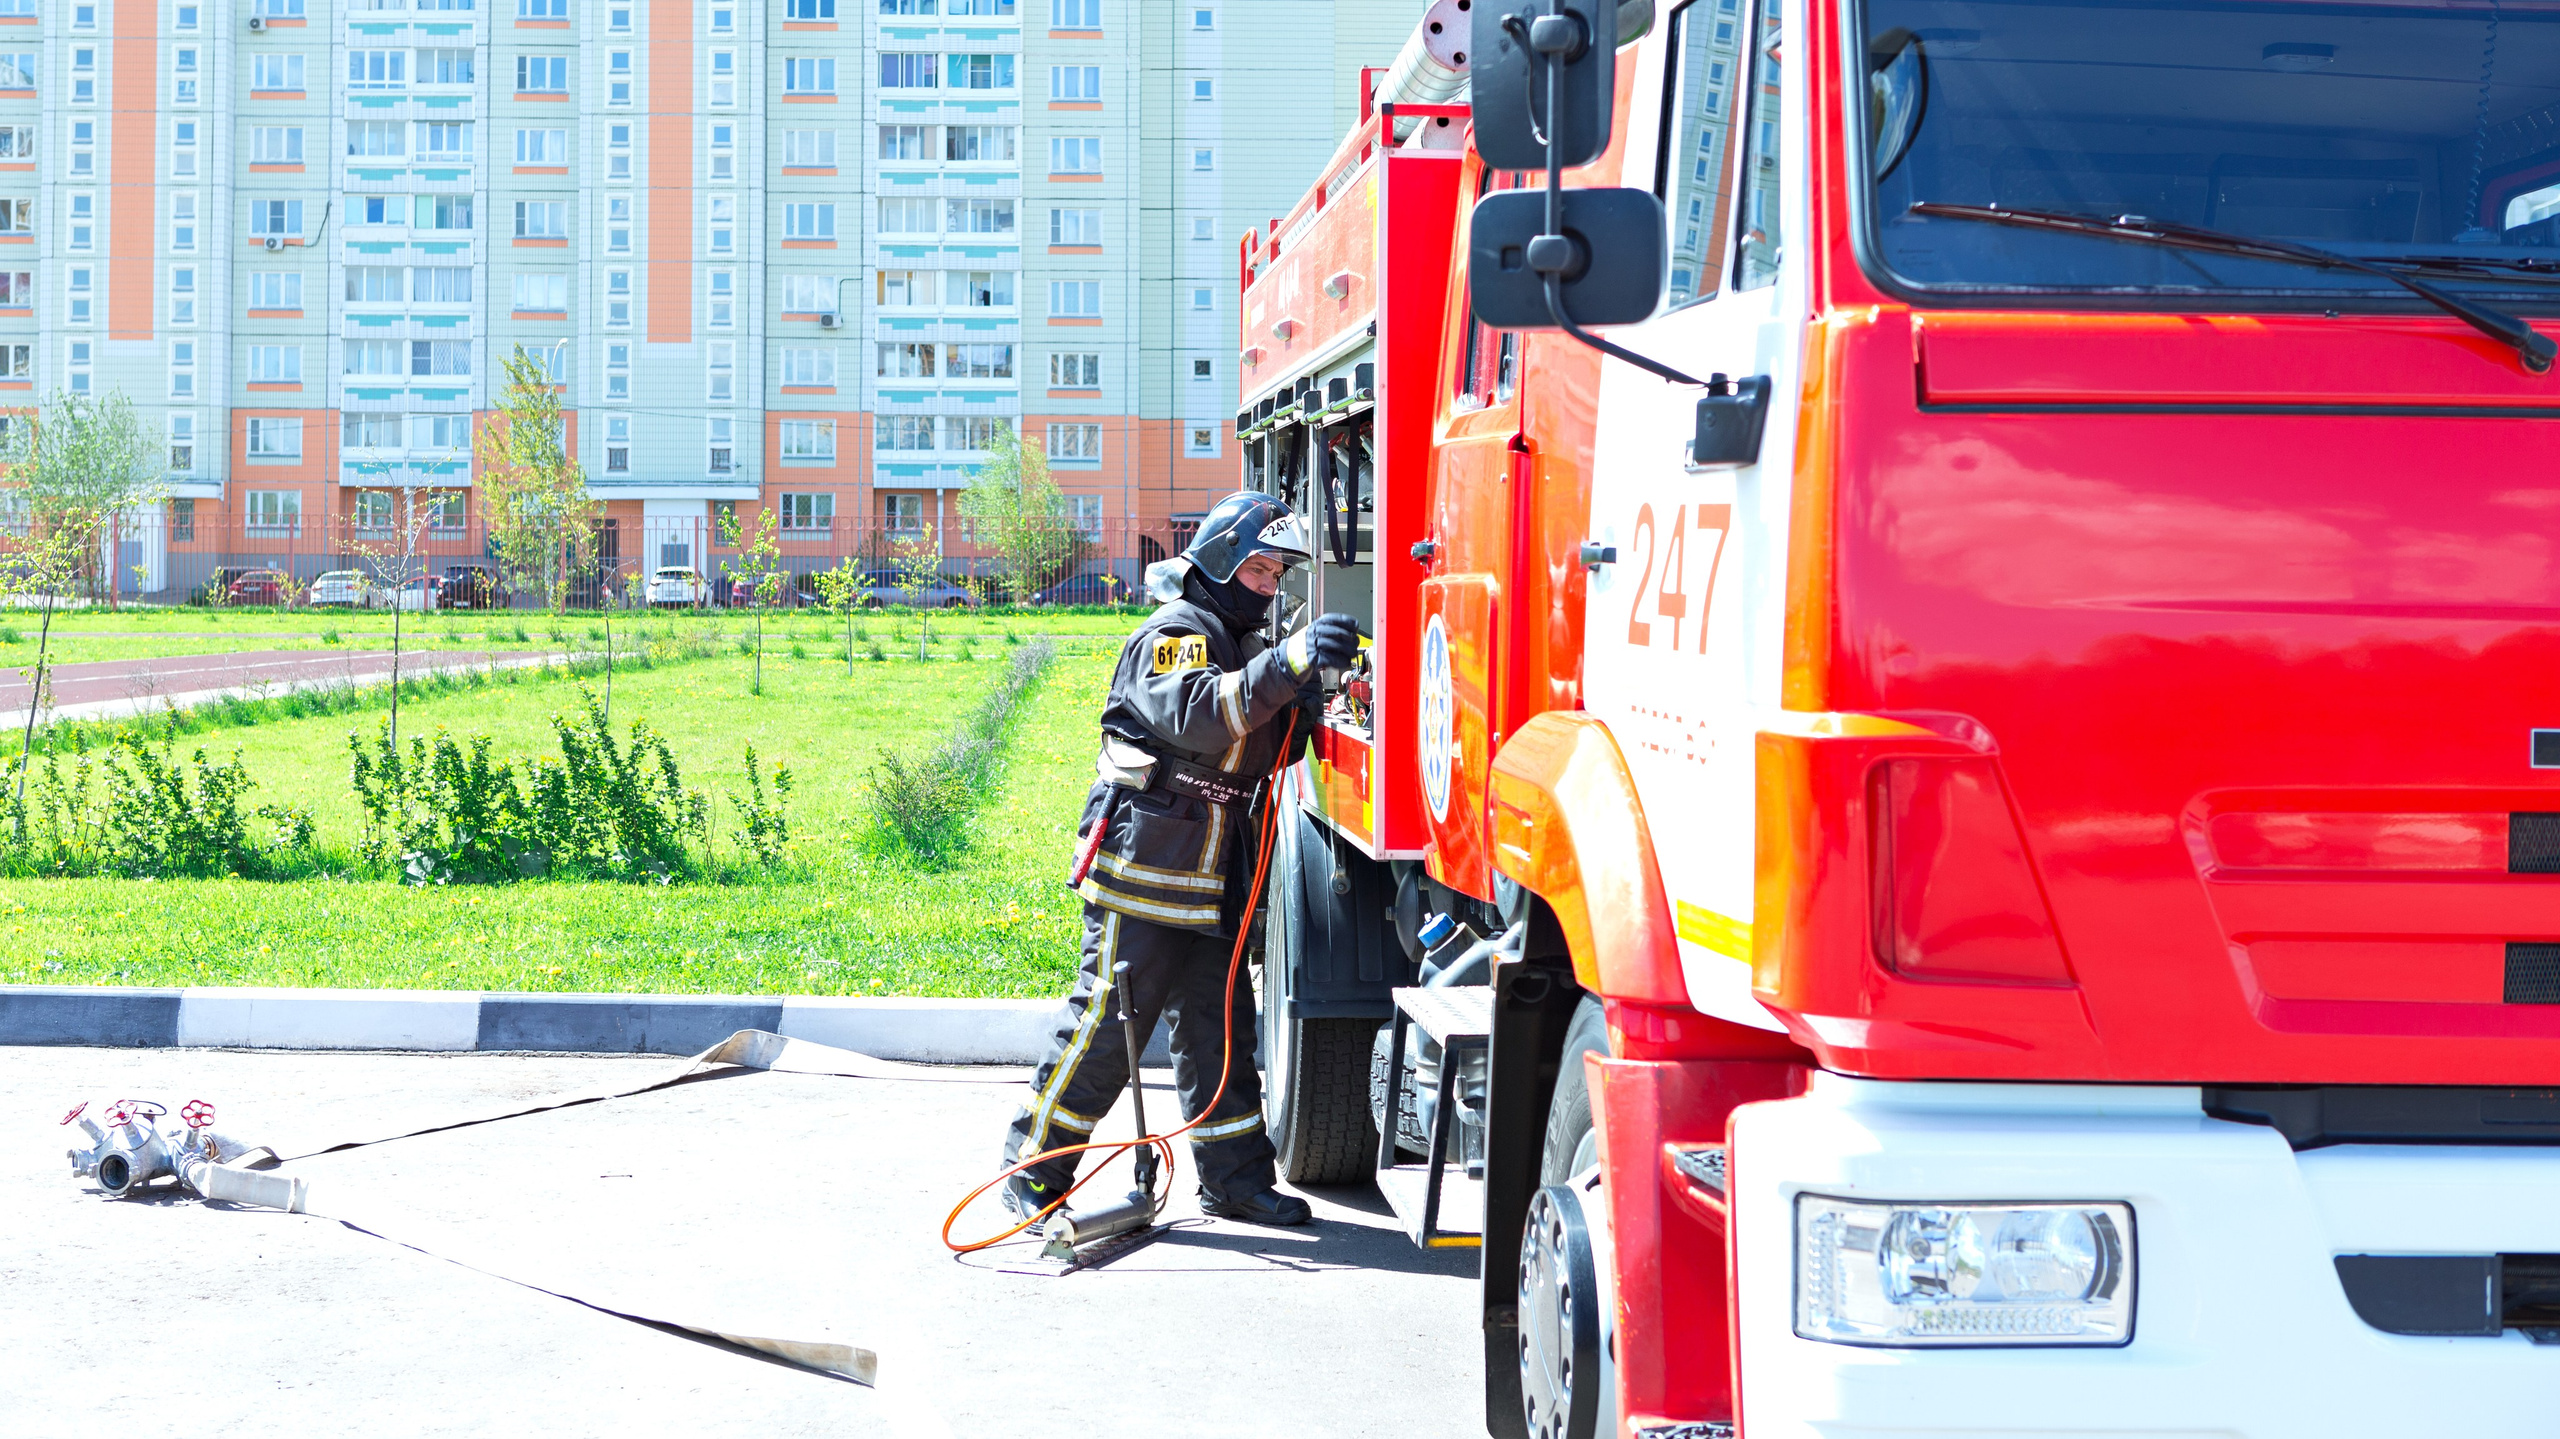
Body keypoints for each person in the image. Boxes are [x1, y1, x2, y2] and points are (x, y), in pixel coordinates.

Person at [999, 491, 1361, 1229]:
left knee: (1220, 1030)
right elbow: (1199, 715)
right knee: (1109, 1024)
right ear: (1223, 560)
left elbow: (1267, 743)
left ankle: (1234, 1178)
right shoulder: (1175, 634)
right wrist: (1288, 661)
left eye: (1275, 576)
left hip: (1212, 876)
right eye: (1258, 571)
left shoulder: (1241, 645)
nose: (1268, 588)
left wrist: (1315, 689)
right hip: (1148, 865)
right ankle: (1031, 1170)